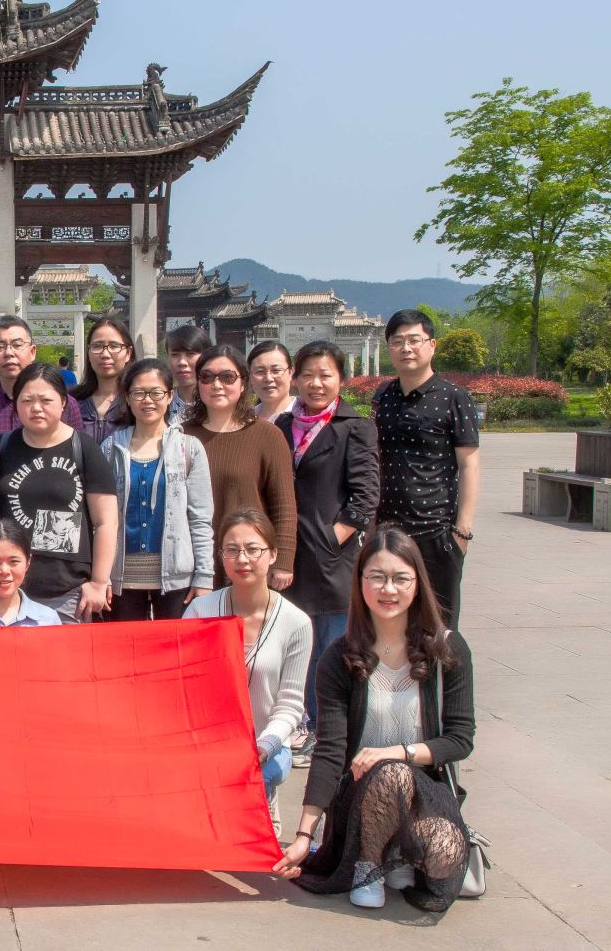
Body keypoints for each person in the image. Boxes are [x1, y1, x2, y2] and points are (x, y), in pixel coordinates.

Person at [273, 528, 475, 913]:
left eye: (400, 578)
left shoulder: (447, 649)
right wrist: (304, 835)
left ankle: (397, 853)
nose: (388, 589)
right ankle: (369, 865)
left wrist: (397, 751)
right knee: (389, 773)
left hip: (424, 791)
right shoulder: (340, 657)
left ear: (417, 583)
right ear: (360, 581)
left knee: (445, 859)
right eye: (377, 577)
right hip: (357, 795)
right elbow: (330, 752)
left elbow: (460, 739)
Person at [276, 341, 380, 763]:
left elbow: (365, 496)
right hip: (289, 558)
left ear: (341, 378)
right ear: (295, 378)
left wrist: (331, 539)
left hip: (332, 562)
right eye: (307, 375)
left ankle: (329, 733)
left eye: (326, 375)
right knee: (297, 648)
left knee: (331, 649)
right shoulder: (283, 424)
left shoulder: (354, 426)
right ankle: (303, 723)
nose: (316, 383)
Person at [186, 509, 313, 834]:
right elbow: (184, 687)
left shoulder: (296, 623)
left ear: (272, 554)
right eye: (232, 550)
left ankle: (262, 805)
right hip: (210, 743)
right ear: (221, 556)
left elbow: (290, 705)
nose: (242, 559)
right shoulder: (201, 611)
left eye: (253, 549)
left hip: (266, 746)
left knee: (256, 785)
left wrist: (264, 746)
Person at [374, 310, 480, 627]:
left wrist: (462, 532)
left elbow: (469, 464)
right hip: (389, 533)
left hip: (437, 531)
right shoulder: (383, 396)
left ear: (432, 345)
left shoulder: (454, 397)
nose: (406, 348)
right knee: (391, 624)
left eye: (414, 340)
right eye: (397, 342)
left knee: (440, 628)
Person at [0, 364, 117, 621]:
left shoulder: (83, 447)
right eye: (27, 400)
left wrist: (99, 582)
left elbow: (106, 522)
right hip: (8, 589)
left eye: (45, 400)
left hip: (67, 593)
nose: (36, 408)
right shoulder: (2, 446)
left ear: (63, 403)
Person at [101, 358, 214, 620]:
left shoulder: (189, 448)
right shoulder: (110, 448)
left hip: (177, 577)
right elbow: (101, 519)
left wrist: (204, 576)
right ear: (127, 398)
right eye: (139, 393)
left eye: (156, 393)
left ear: (170, 396)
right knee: (127, 645)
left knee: (176, 644)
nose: (147, 400)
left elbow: (200, 518)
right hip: (121, 576)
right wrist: (102, 575)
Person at [184, 345, 297, 587]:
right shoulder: (181, 436)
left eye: (227, 377)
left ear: (243, 383)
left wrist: (282, 562)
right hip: (191, 564)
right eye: (207, 377)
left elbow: (283, 506)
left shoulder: (268, 435)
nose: (216, 385)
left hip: (248, 561)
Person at [0, 316, 84, 435]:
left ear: (32, 352)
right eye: (0, 347)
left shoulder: (65, 405)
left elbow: (76, 444)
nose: (9, 353)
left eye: (17, 345)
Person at [73, 319, 135, 446]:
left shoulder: (137, 401)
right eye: (97, 346)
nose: (105, 354)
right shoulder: (72, 401)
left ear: (128, 353)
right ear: (88, 353)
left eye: (114, 346)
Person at [164, 324, 211, 425]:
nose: (182, 362)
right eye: (175, 355)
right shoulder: (161, 403)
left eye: (190, 354)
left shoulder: (216, 403)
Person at [249, 340, 297, 423]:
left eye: (276, 370)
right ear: (250, 376)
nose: (268, 378)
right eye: (260, 371)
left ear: (290, 372)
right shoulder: (243, 421)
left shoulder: (306, 417)